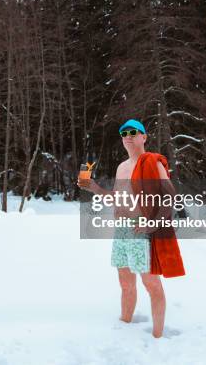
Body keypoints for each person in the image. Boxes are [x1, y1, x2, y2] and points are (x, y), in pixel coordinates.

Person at [78, 118, 180, 339]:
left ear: (144, 136)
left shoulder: (153, 162)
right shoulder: (122, 167)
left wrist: (152, 223)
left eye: (134, 132)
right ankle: (124, 328)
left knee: (150, 282)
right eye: (124, 133)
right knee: (125, 282)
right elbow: (116, 198)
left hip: (141, 230)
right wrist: (94, 187)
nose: (128, 136)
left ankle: (158, 337)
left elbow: (170, 195)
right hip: (122, 230)